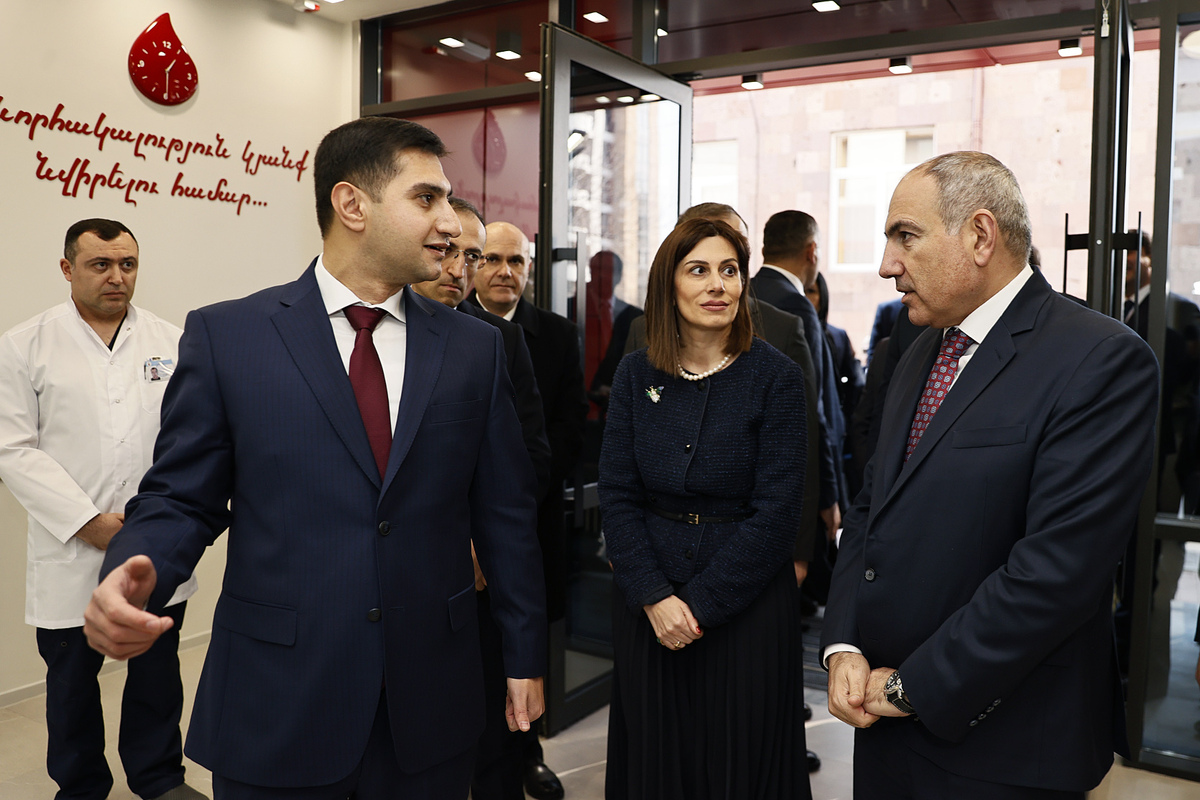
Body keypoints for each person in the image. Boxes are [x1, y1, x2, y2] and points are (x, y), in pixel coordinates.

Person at [83, 117, 547, 800]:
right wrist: (132, 569)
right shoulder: (229, 336)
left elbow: (505, 514)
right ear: (352, 204)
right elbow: (181, 496)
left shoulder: (476, 349)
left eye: (448, 200)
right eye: (427, 199)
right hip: (279, 699)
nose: (451, 224)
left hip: (429, 701)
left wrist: (524, 652)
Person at [821, 151, 1159, 798]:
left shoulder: (1100, 360)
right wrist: (843, 646)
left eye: (905, 236)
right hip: (884, 731)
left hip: (1006, 748)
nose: (887, 264)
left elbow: (1054, 573)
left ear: (980, 236)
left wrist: (912, 687)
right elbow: (871, 509)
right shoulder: (919, 349)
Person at [600, 217, 812, 799]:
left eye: (730, 271)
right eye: (699, 270)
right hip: (649, 606)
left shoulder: (777, 378)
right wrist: (654, 596)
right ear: (668, 285)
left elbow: (778, 514)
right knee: (657, 765)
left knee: (740, 767)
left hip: (747, 608)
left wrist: (695, 608)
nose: (718, 284)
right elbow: (617, 494)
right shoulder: (635, 373)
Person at [0, 219, 205, 800]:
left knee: (157, 674)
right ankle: (81, 787)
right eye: (101, 264)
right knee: (71, 683)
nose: (117, 276)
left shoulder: (175, 342)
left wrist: (156, 522)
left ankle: (159, 778)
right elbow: (12, 448)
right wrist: (88, 522)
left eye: (127, 264)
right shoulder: (24, 345)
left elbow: (190, 439)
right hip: (70, 546)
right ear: (68, 269)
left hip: (154, 540)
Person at [410, 197, 554, 800]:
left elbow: (528, 460)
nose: (460, 269)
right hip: (399, 585)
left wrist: (477, 540)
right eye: (452, 252)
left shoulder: (497, 341)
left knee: (492, 740)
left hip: (478, 577)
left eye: (471, 256)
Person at [470, 220, 586, 800]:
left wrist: (509, 503)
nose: (504, 271)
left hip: (529, 519)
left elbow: (564, 430)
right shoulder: (451, 327)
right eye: (491, 259)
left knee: (521, 647)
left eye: (516, 261)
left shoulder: (556, 335)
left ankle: (527, 754)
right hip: (461, 535)